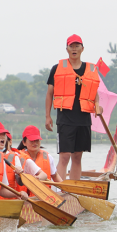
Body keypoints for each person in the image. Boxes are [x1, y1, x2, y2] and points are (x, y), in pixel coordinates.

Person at [45, 34, 103, 180]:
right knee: (64, 156)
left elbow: (94, 92)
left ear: (82, 49)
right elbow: (49, 94)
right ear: (67, 49)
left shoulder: (91, 69)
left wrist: (97, 105)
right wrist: (47, 116)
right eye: (71, 46)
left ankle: (73, 192)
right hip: (65, 118)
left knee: (77, 156)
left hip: (83, 119)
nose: (74, 49)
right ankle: (61, 190)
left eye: (77, 46)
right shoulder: (57, 68)